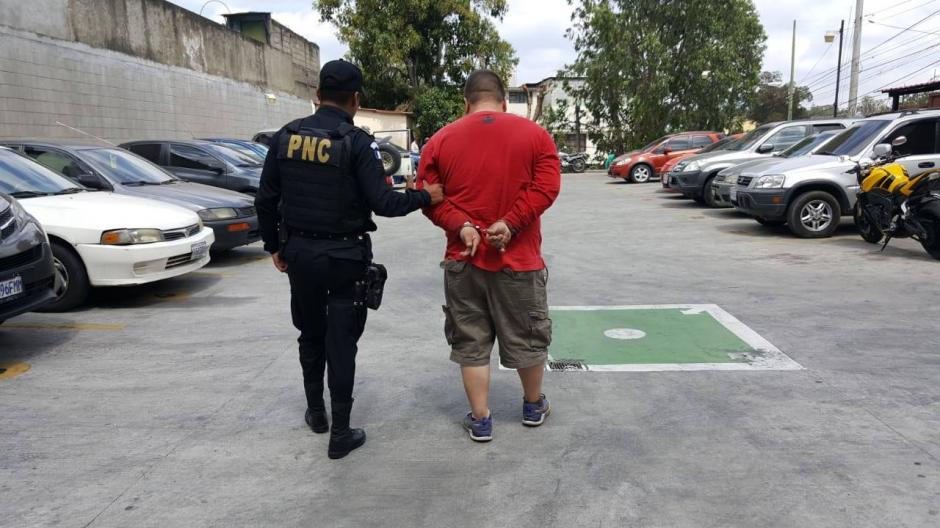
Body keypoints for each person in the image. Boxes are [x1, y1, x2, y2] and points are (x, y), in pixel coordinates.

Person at [255, 59, 444, 459]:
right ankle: (339, 432)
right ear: (356, 99)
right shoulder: (357, 142)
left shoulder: (285, 136)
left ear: (317, 96)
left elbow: (266, 199)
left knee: (310, 333)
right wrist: (426, 196)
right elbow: (385, 202)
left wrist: (274, 246)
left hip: (300, 254)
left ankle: (316, 413)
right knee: (342, 342)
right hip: (345, 257)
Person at [420, 70, 561, 442]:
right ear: (502, 101)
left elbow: (427, 196)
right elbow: (547, 187)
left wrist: (461, 225)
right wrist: (511, 224)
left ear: (466, 102)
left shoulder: (439, 141)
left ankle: (481, 419)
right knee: (528, 336)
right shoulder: (535, 135)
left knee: (471, 342)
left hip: (462, 259)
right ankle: (533, 406)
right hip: (518, 260)